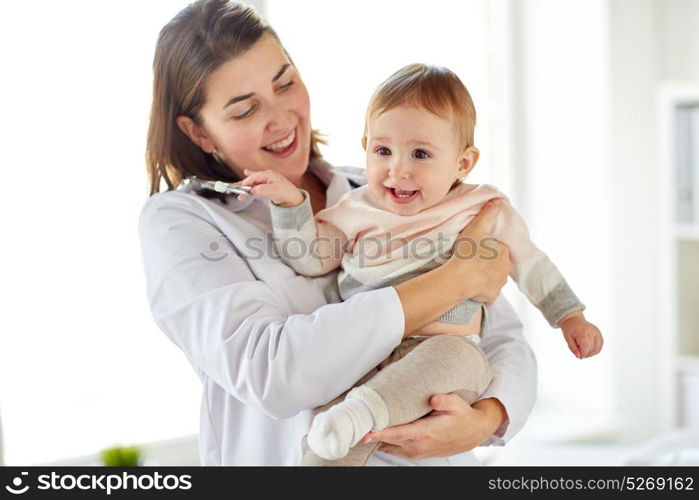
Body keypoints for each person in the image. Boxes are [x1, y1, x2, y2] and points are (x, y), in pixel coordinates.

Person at [139, 0, 537, 466]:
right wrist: (455, 279)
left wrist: (488, 416)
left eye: (285, 82)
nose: (282, 118)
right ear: (199, 133)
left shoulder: (380, 191)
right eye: (245, 110)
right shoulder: (184, 222)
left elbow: (501, 334)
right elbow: (271, 370)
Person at [240, 63, 603, 465]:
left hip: (444, 350)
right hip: (366, 356)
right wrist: (289, 205)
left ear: (463, 164)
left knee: (464, 364)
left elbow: (530, 264)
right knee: (331, 441)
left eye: (421, 154)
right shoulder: (356, 209)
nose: (399, 169)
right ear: (365, 146)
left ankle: (360, 414)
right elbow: (311, 258)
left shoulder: (482, 207)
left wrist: (570, 315)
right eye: (382, 151)